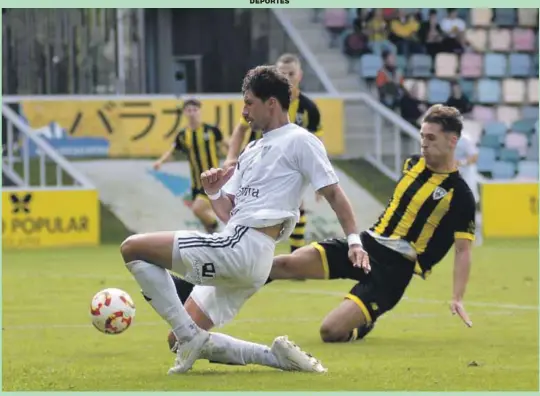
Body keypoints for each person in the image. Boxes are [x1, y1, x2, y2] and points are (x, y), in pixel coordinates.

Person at [163, 104, 476, 348]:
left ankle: (365, 319)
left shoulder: (459, 194)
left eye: (431, 138)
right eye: (422, 136)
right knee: (276, 265)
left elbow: (463, 250)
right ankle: (195, 291)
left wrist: (458, 297)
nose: (423, 144)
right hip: (366, 244)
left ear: (452, 141)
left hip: (394, 270)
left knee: (331, 332)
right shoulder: (412, 164)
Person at [122, 65, 366, 375]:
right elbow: (228, 213)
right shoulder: (251, 149)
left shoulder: (300, 141)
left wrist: (354, 242)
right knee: (177, 339)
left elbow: (334, 194)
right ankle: (274, 357)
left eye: (249, 103)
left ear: (272, 103)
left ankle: (190, 336)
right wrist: (212, 192)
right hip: (246, 251)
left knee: (132, 248)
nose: (245, 111)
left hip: (243, 247)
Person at [225, 53, 324, 254]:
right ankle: (233, 246)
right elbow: (240, 129)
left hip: (288, 165)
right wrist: (230, 157)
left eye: (291, 73)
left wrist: (319, 178)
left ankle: (294, 257)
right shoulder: (262, 101)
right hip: (257, 163)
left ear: (300, 76)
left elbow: (316, 143)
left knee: (297, 205)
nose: (287, 77)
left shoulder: (309, 108)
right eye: (282, 73)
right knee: (242, 203)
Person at [153, 99, 226, 233]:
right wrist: (160, 162)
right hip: (196, 184)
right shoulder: (182, 135)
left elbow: (226, 145)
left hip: (213, 179)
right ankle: (213, 242)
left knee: (197, 209)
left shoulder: (211, 131)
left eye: (195, 110)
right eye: (189, 110)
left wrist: (234, 158)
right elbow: (172, 151)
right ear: (184, 113)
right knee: (203, 218)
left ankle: (220, 228)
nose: (192, 113)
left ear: (200, 111)